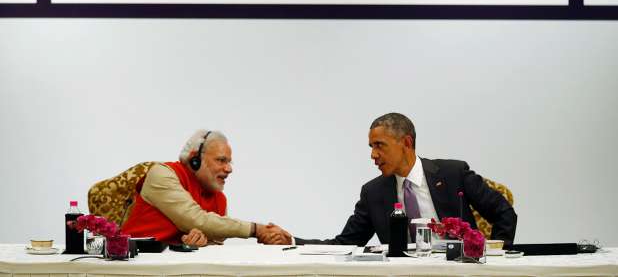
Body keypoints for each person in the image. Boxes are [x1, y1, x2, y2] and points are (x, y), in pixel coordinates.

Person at [292, 112, 517, 246]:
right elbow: (344, 244)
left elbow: (504, 213)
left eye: (379, 145)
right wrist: (294, 242)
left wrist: (495, 259)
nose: (373, 155)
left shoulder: (453, 173)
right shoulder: (373, 193)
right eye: (371, 147)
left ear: (406, 143)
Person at [122, 130, 289, 246]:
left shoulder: (219, 198)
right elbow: (196, 220)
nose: (229, 169)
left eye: (229, 162)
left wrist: (200, 243)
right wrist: (256, 230)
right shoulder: (162, 174)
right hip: (136, 264)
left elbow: (215, 241)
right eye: (221, 160)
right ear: (195, 159)